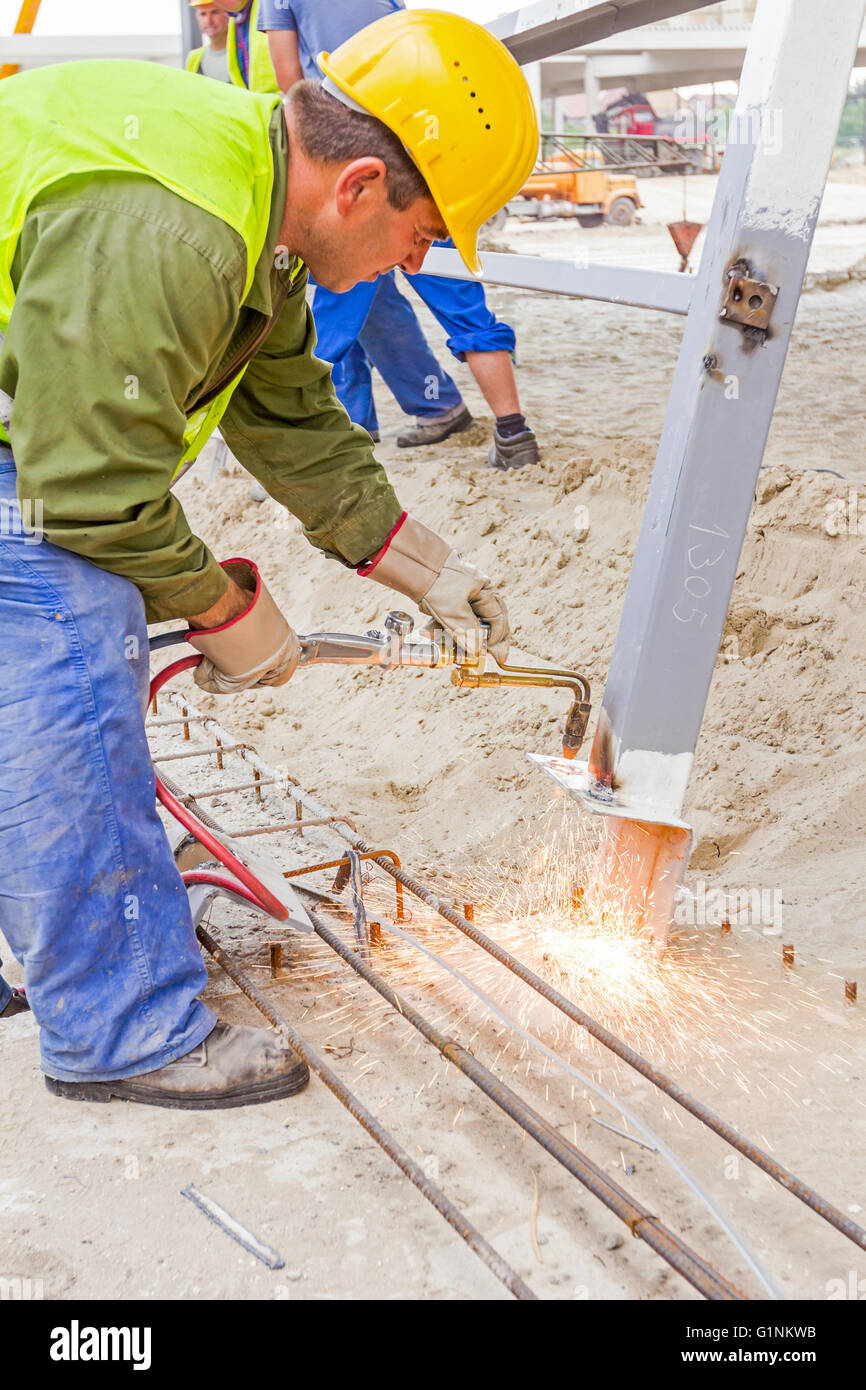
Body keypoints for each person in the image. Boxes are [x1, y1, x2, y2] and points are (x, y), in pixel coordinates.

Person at [0, 11, 538, 1106]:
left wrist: (416, 563)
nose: (415, 260)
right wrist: (219, 609)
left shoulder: (252, 197)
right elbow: (87, 490)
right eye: (421, 232)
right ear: (359, 186)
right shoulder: (175, 225)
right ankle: (122, 1025)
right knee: (74, 648)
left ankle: (82, 929)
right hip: (37, 461)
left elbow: (292, 417)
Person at [258, 0, 540, 470]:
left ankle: (315, 446)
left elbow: (292, 81)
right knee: (450, 304)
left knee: (331, 324)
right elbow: (410, 46)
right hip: (432, 165)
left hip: (359, 168)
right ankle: (508, 428)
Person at [185, 1, 232, 83]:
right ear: (197, 18)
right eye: (203, 14)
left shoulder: (243, 53)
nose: (209, 21)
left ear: (228, 16)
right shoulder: (193, 58)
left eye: (215, 12)